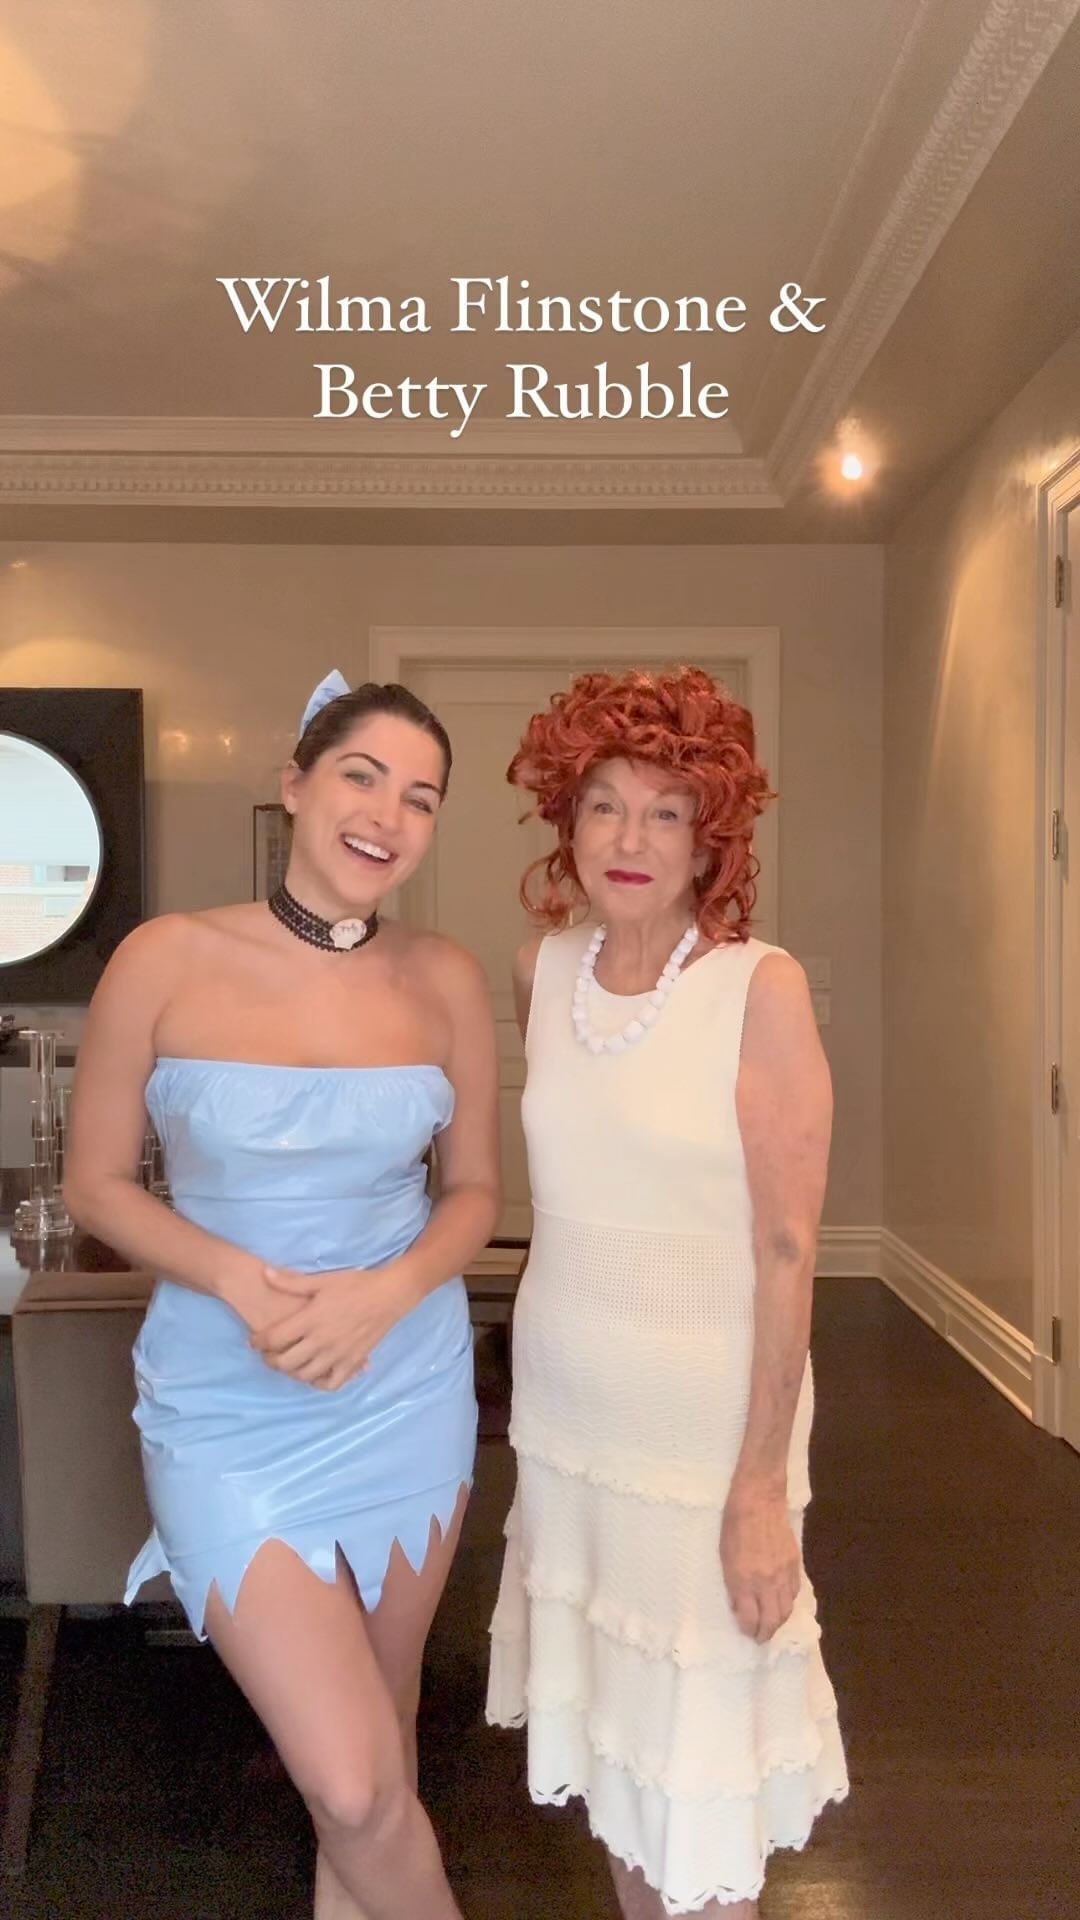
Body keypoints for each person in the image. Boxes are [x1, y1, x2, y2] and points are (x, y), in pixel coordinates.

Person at [65, 672, 499, 1920]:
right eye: (362, 776)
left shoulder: (445, 977)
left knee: (379, 1745)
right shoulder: (165, 956)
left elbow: (474, 1192)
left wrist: (384, 1296)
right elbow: (95, 1183)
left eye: (421, 797)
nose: (387, 815)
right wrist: (233, 1278)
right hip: (225, 1399)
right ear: (296, 786)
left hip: (401, 1384)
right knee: (353, 1784)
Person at [486, 665, 848, 1918]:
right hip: (569, 1427)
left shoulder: (758, 988)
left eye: (666, 812)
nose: (629, 840)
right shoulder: (542, 973)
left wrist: (759, 1490)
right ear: (566, 820)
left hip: (701, 1441)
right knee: (617, 1750)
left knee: (698, 1772)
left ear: (711, 840)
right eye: (604, 805)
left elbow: (787, 1251)